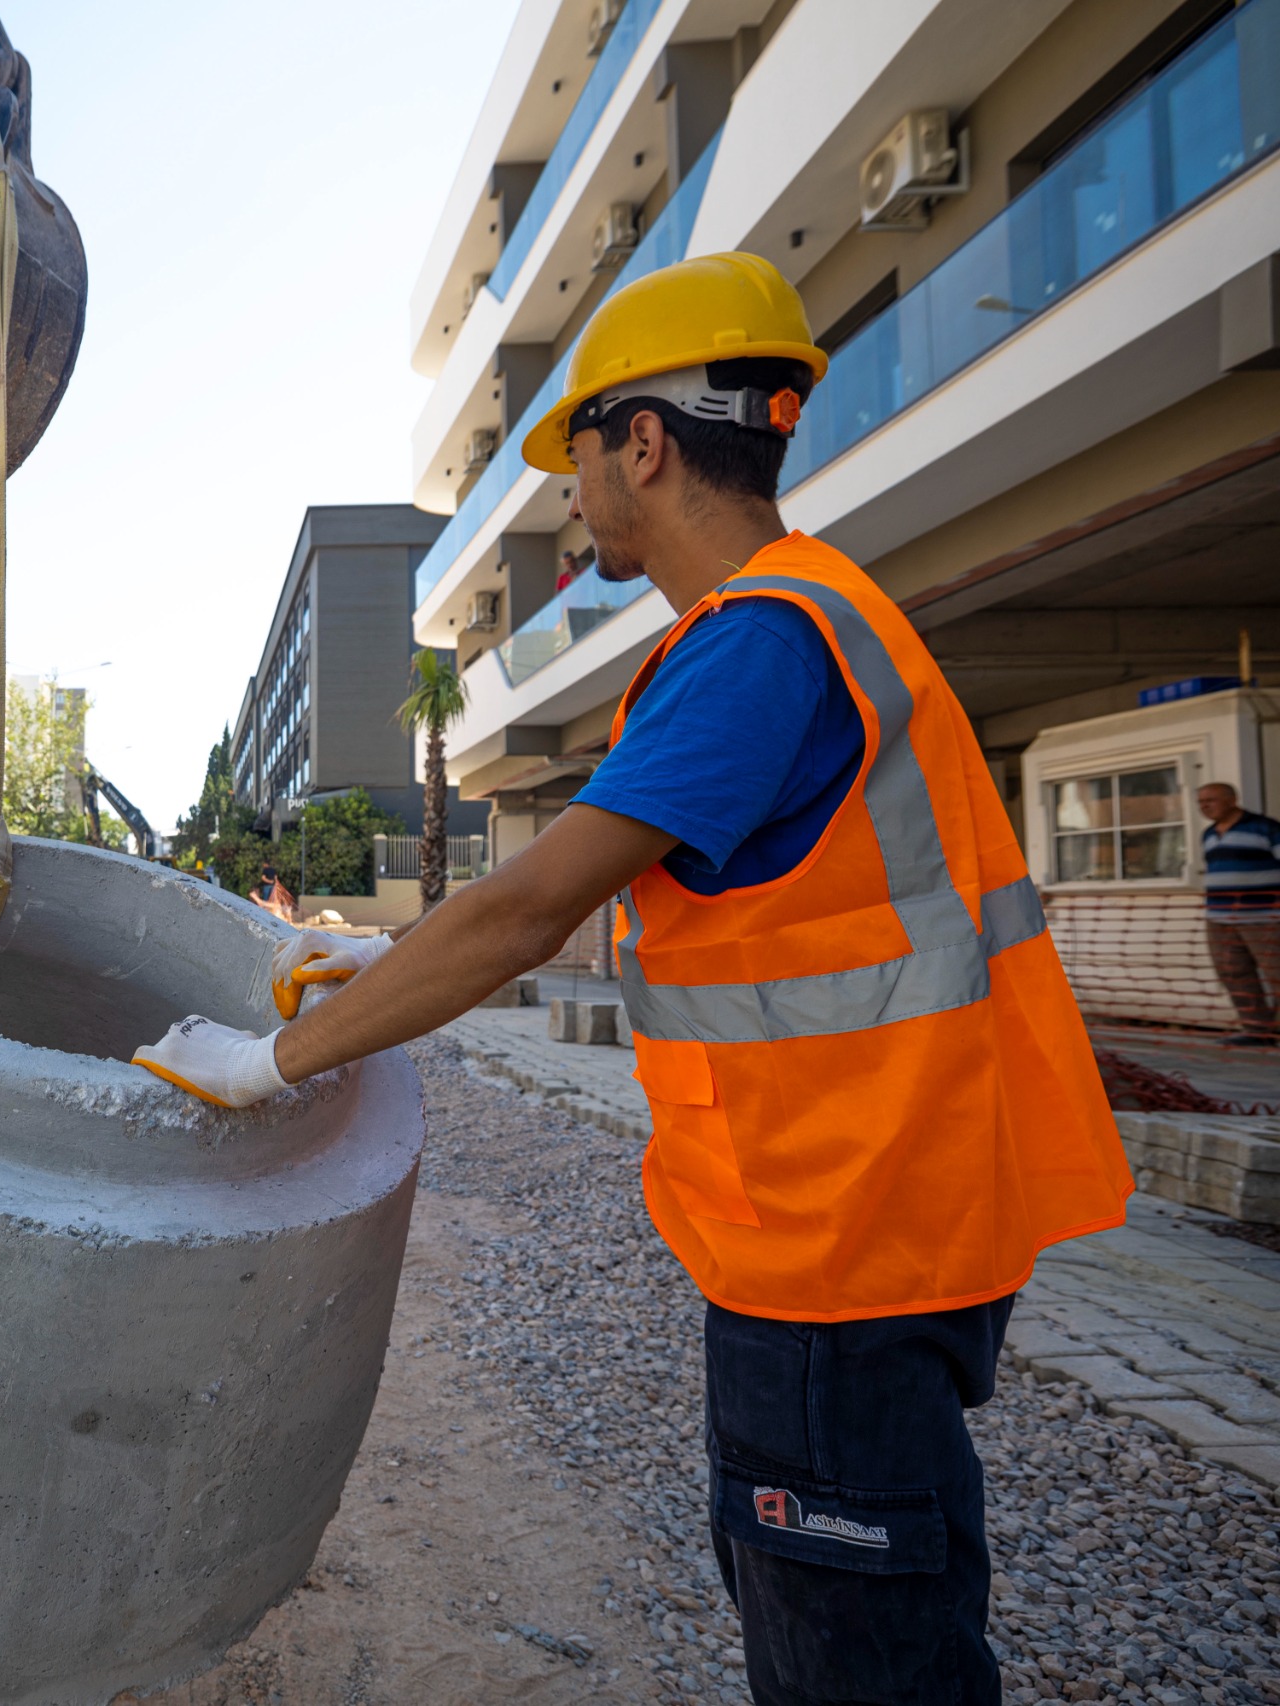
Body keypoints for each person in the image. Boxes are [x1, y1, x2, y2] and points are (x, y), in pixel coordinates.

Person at [134, 252, 1132, 1705]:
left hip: (839, 1248)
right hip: (883, 1221)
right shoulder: (812, 617)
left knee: (856, 1669)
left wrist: (272, 1059)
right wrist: (392, 951)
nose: (569, 495)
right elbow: (677, 907)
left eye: (577, 457)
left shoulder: (759, 646)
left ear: (647, 442)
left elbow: (534, 905)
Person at [1199, 781, 1280, 1046]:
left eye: (1211, 800)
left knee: (1276, 972)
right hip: (1219, 919)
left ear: (1232, 800)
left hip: (1264, 917)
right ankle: (1257, 1029)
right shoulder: (1209, 834)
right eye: (1200, 802)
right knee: (1233, 973)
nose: (1204, 806)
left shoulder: (1265, 828)